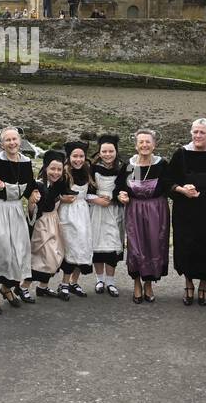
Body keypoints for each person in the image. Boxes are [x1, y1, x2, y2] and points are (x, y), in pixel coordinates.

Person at [167, 119, 206, 306]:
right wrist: (182, 189)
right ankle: (188, 284)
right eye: (195, 132)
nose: (198, 136)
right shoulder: (181, 154)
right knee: (186, 244)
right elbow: (168, 181)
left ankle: (203, 286)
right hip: (186, 207)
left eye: (202, 132)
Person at [119, 128, 172, 304]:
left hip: (157, 209)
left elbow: (170, 185)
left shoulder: (162, 165)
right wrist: (122, 195)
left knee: (154, 245)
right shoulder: (129, 165)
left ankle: (148, 283)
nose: (144, 145)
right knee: (135, 246)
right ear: (136, 145)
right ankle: (136, 282)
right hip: (134, 210)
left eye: (148, 142)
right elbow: (120, 186)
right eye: (141, 142)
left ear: (154, 144)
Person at [0, 127, 36, 308]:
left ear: (20, 141)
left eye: (14, 139)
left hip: (16, 210)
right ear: (2, 144)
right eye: (8, 140)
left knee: (19, 252)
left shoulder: (26, 161)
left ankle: (7, 288)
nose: (12, 143)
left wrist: (34, 196)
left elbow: (29, 186)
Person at [29, 150, 72, 298]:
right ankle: (23, 287)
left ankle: (43, 287)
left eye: (59, 169)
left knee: (54, 256)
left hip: (54, 222)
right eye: (52, 168)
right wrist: (31, 203)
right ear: (46, 168)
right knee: (41, 258)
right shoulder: (39, 185)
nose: (56, 172)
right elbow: (33, 208)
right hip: (42, 224)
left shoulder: (57, 184)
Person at [89, 134, 127, 296]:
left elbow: (131, 185)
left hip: (114, 209)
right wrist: (96, 199)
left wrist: (118, 197)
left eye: (110, 151)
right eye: (104, 151)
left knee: (112, 246)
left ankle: (111, 282)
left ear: (116, 151)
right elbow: (86, 189)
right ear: (99, 152)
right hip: (96, 209)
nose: (107, 154)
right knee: (97, 246)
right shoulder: (91, 167)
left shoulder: (124, 167)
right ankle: (99, 280)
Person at [57, 141, 94, 297]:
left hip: (83, 213)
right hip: (67, 213)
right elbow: (53, 191)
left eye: (81, 156)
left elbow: (89, 192)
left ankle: (74, 281)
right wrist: (62, 198)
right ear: (69, 157)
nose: (78, 160)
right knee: (70, 247)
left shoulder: (87, 171)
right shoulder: (64, 173)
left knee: (82, 246)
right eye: (75, 156)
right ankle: (64, 283)